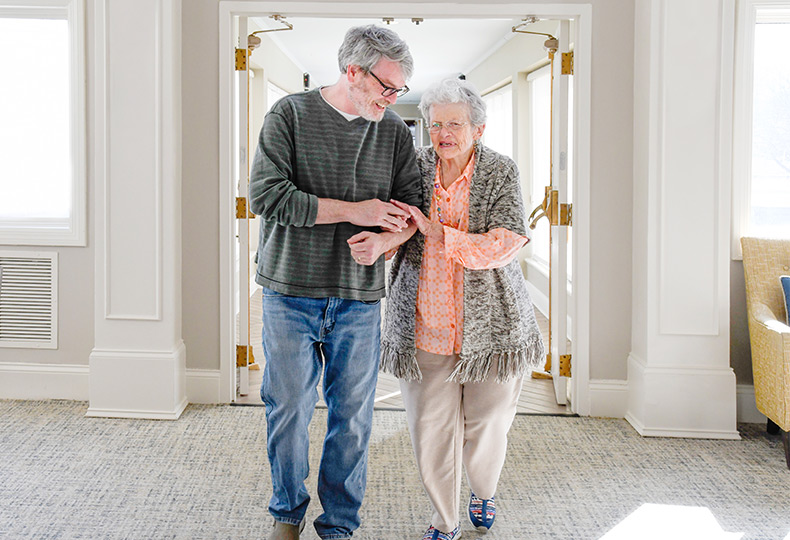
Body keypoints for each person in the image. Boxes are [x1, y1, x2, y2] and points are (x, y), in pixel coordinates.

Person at [248, 25, 422, 540]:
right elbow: (267, 197)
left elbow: (414, 211)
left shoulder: (393, 131)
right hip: (289, 291)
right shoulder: (290, 114)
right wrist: (356, 211)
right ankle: (287, 513)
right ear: (353, 71)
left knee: (353, 417)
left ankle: (339, 523)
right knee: (289, 410)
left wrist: (385, 243)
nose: (392, 98)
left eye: (400, 89)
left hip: (359, 298)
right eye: (386, 87)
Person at [380, 78, 545, 540]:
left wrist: (439, 234)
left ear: (479, 129)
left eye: (455, 124)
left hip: (493, 328)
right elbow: (396, 227)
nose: (444, 133)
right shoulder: (413, 166)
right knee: (430, 430)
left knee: (487, 424)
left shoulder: (500, 171)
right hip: (424, 324)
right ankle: (444, 519)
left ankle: (483, 490)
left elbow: (507, 241)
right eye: (436, 125)